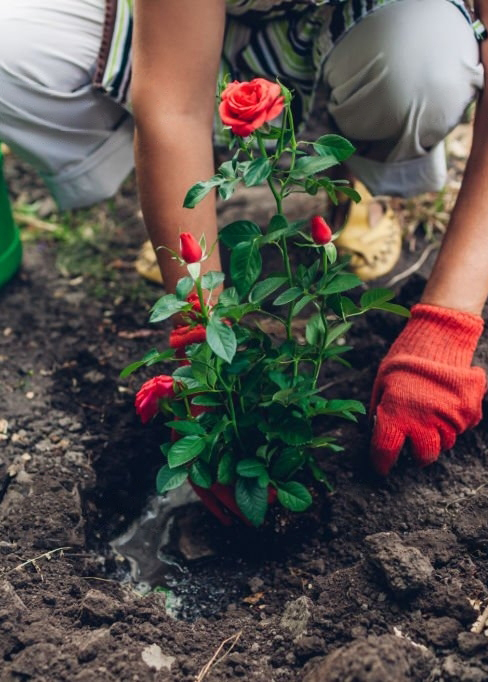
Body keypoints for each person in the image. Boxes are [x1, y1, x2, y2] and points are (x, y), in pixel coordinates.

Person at [1, 0, 487, 476]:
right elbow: (173, 108)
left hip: (363, 31)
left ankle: (354, 184)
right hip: (174, 24)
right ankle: (179, 210)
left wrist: (448, 322)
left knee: (423, 66)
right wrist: (202, 345)